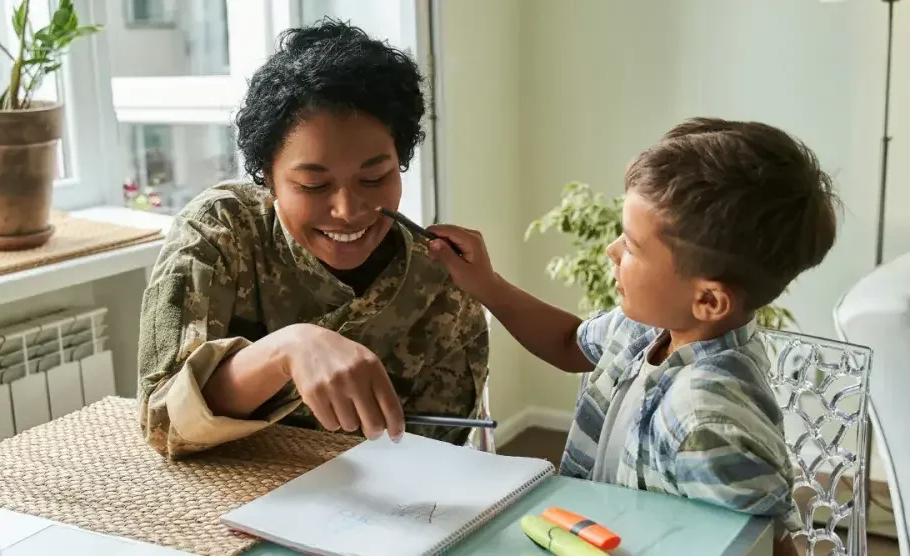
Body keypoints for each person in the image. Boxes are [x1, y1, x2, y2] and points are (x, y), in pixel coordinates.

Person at [427, 118, 839, 553]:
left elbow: (765, 543)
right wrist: (488, 285)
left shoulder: (708, 420)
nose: (612, 251)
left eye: (632, 246)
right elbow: (571, 344)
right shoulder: (651, 325)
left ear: (710, 301)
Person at [136, 19, 488, 460]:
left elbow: (438, 459)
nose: (348, 210)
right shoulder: (219, 232)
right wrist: (286, 349)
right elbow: (162, 422)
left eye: (375, 177)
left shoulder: (436, 283)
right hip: (223, 501)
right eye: (313, 185)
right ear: (268, 176)